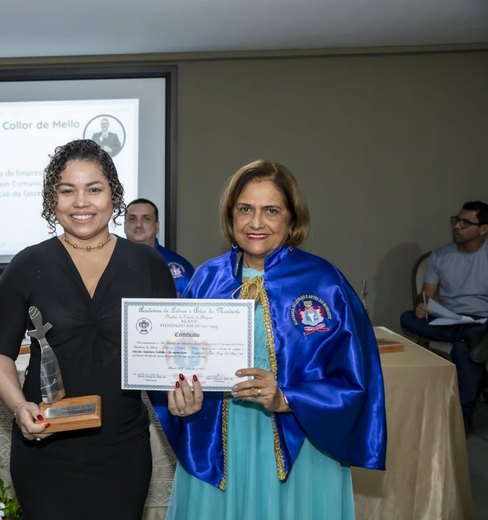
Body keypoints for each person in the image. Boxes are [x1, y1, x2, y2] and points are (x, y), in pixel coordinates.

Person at [151, 160, 387, 519]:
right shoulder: (207, 279)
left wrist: (288, 398)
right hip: (219, 444)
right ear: (231, 217)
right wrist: (179, 399)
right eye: (244, 209)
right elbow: (181, 362)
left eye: (271, 211)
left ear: (292, 219)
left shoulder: (325, 283)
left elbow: (357, 382)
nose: (256, 222)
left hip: (300, 443)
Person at [0, 139, 176, 520]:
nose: (81, 202)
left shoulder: (148, 265)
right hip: (45, 447)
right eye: (67, 191)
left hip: (122, 448)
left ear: (114, 195)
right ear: (52, 200)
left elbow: (168, 351)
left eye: (94, 189)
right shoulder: (27, 264)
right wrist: (19, 406)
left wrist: (183, 392)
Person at [400, 200, 488, 433]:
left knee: (462, 349)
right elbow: (427, 297)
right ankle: (472, 336)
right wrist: (423, 306)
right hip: (450, 320)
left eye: (465, 222)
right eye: (456, 220)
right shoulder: (440, 256)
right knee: (408, 318)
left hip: (483, 319)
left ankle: (463, 415)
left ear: (483, 228)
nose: (457, 226)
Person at [125, 198, 196, 296]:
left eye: (146, 219)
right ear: (125, 225)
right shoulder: (109, 261)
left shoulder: (179, 266)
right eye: (132, 219)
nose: (138, 225)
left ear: (157, 226)